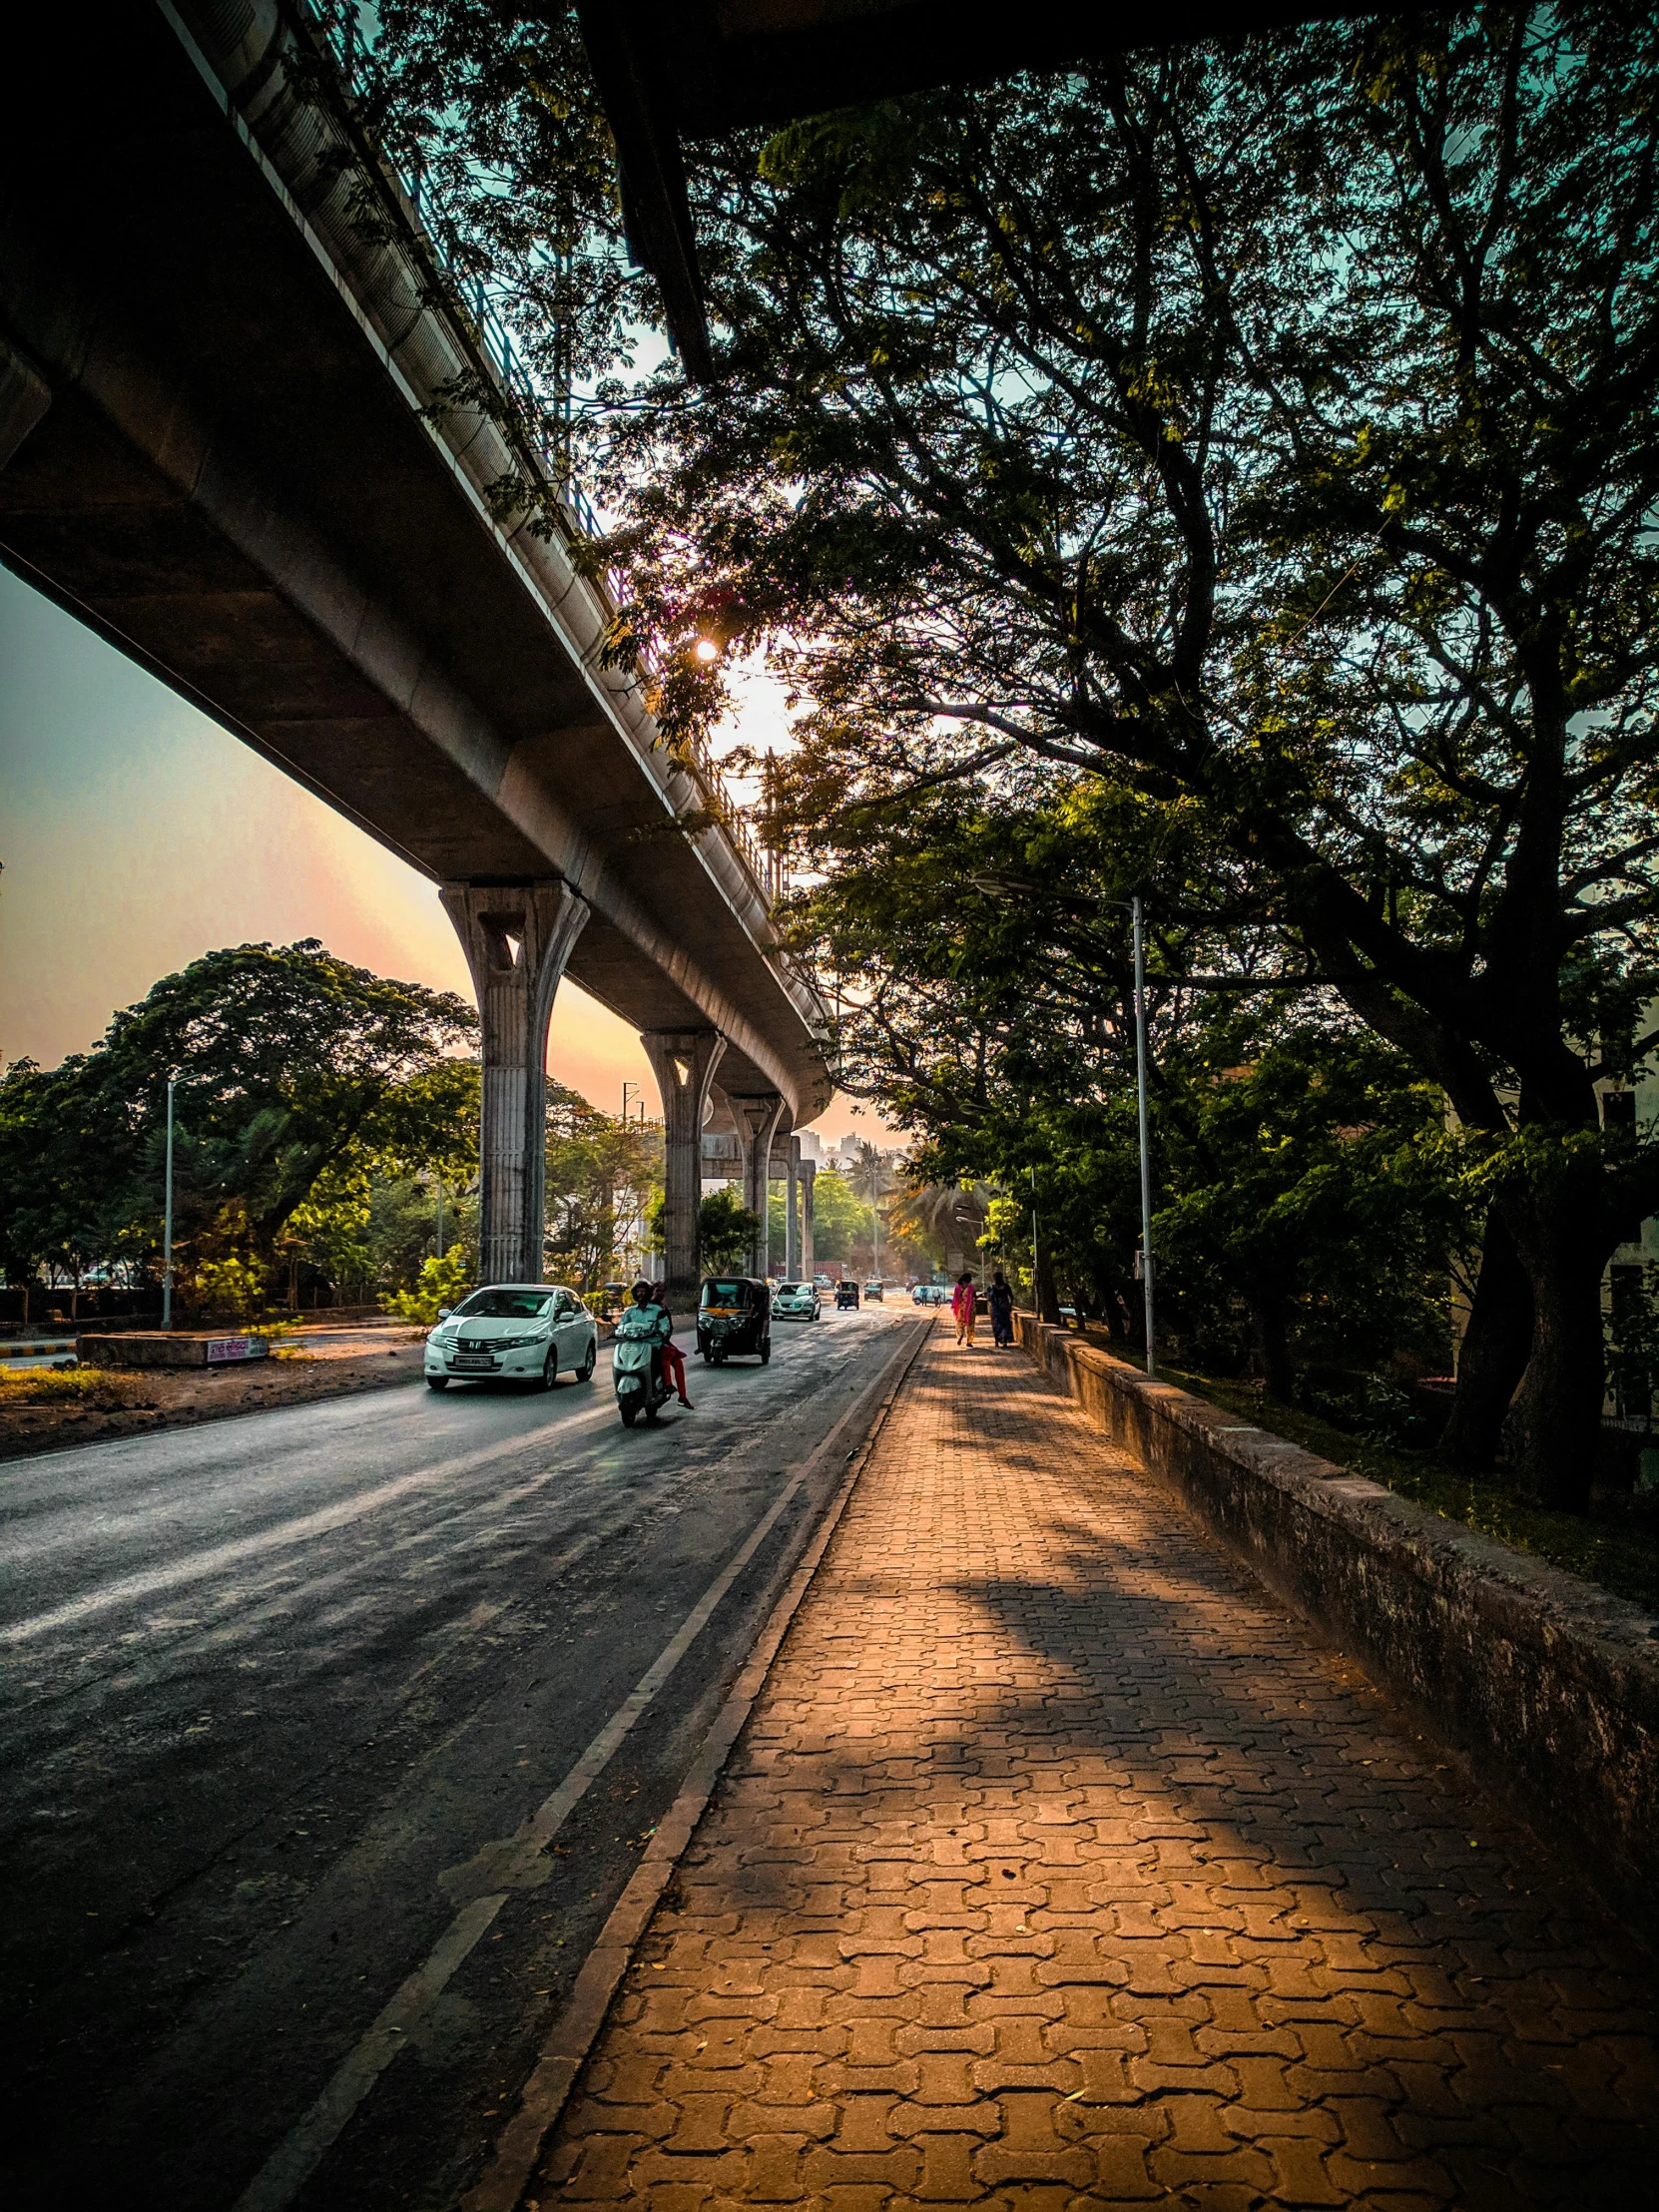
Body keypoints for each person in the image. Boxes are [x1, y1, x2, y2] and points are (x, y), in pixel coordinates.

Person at [651, 1282, 694, 1408]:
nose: (661, 1293)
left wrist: (664, 1335)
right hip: (646, 1342)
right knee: (666, 1357)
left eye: (663, 1291)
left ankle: (682, 1396)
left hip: (661, 1341)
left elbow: (669, 1327)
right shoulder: (647, 1307)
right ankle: (667, 1384)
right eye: (658, 1290)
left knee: (678, 1362)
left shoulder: (663, 1308)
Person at [987, 1269, 1015, 1349]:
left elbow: (989, 1298)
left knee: (996, 1325)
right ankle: (1004, 1341)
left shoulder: (991, 1287)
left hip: (996, 1309)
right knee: (1005, 1325)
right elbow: (1011, 1297)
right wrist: (1010, 1306)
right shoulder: (1006, 1286)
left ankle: (997, 1341)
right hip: (1004, 1308)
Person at [951, 1271, 977, 1348]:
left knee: (960, 1323)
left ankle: (960, 1335)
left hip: (961, 1308)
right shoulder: (970, 1287)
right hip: (970, 1308)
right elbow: (974, 1296)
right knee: (970, 1324)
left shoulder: (957, 1286)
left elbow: (956, 1298)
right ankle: (969, 1341)